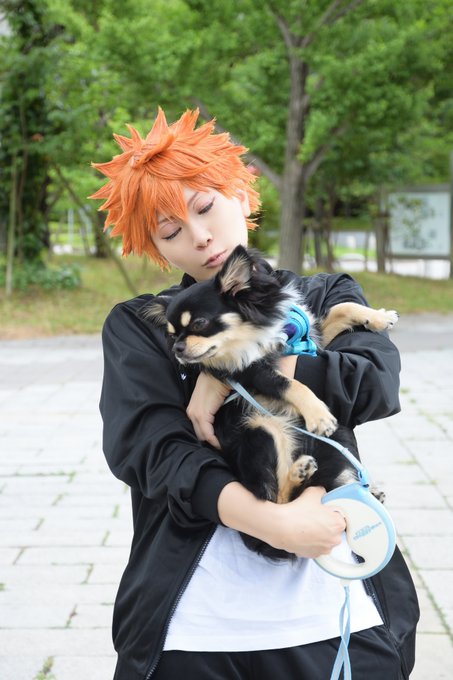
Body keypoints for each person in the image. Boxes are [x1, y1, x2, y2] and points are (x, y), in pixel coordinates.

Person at [91, 108, 419, 680]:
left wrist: (236, 366)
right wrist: (272, 524)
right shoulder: (145, 324)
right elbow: (149, 449)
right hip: (194, 623)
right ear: (157, 250)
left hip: (334, 608)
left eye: (204, 206)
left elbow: (374, 384)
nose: (199, 236)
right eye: (170, 231)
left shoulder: (323, 295)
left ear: (241, 194)